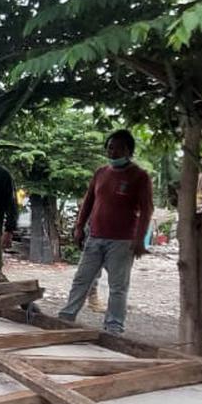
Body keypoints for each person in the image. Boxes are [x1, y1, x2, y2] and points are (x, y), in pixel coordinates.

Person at [58, 129, 153, 334]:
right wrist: (79, 227)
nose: (112, 152)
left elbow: (147, 210)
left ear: (129, 151)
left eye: (118, 149)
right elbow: (88, 201)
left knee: (118, 286)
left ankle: (114, 326)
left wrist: (140, 240)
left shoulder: (139, 176)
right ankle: (67, 316)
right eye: (110, 148)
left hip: (122, 241)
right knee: (82, 279)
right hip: (95, 236)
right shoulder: (101, 172)